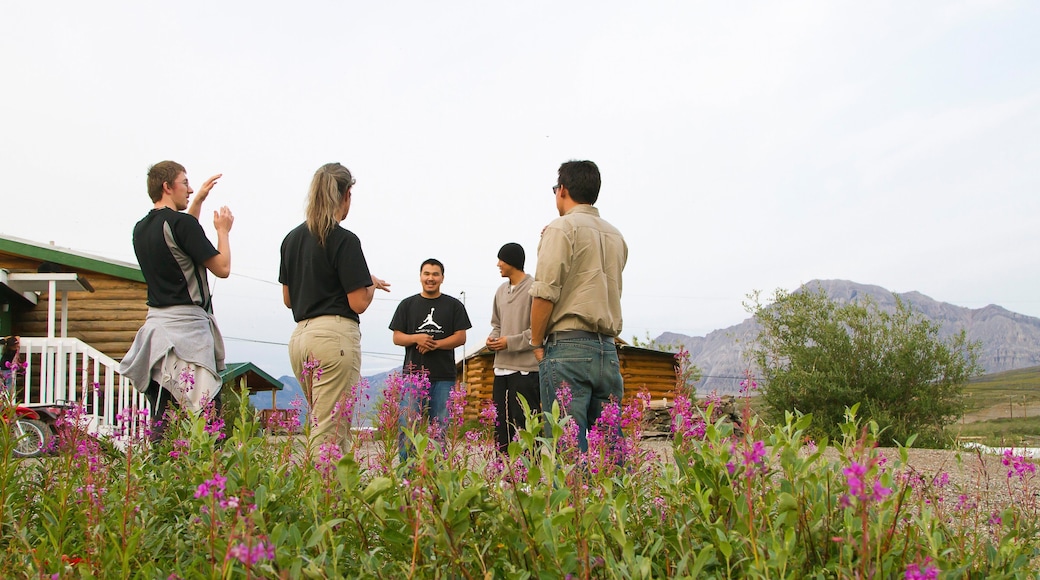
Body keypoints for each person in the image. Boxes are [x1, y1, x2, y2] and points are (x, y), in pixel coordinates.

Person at [118, 160, 234, 441]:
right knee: (208, 420)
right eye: (185, 183)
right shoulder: (181, 224)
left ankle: (161, 480)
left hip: (157, 335)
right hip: (188, 335)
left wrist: (199, 201)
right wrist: (223, 231)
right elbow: (222, 268)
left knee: (164, 420)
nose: (191, 189)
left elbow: (181, 238)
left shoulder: (141, 228)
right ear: (167, 186)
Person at [279, 162, 390, 453]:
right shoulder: (345, 240)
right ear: (346, 195)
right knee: (329, 432)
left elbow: (289, 299)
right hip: (334, 338)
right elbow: (358, 302)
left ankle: (330, 493)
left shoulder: (291, 239)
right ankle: (320, 495)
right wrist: (370, 285)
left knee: (324, 423)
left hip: (301, 338)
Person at [529, 160, 628, 452]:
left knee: (567, 447)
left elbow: (545, 292)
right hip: (607, 350)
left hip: (569, 349)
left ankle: (572, 499)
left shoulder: (561, 228)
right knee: (609, 449)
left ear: (562, 190)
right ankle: (614, 497)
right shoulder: (616, 235)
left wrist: (536, 343)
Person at [390, 259, 472, 438]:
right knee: (408, 425)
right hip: (413, 377)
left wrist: (436, 344)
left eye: (435, 274)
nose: (430, 278)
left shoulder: (454, 305)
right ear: (420, 276)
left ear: (442, 278)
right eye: (426, 274)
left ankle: (438, 466)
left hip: (443, 377)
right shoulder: (407, 304)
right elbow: (397, 337)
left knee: (440, 427)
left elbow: (461, 337)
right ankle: (408, 466)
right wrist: (416, 338)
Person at [486, 243, 540, 453]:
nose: (498, 264)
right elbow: (497, 325)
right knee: (501, 425)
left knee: (527, 425)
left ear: (513, 262)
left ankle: (530, 476)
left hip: (526, 369)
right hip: (501, 368)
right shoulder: (500, 291)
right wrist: (492, 339)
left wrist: (509, 342)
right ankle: (503, 474)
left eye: (502, 260)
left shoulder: (535, 288)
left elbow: (538, 330)